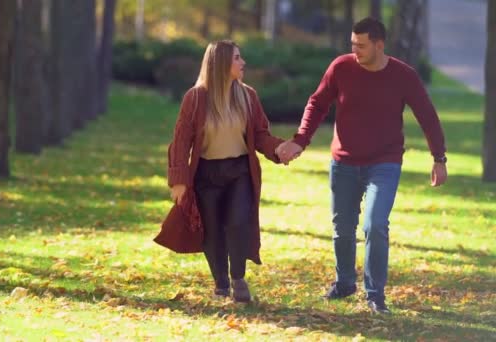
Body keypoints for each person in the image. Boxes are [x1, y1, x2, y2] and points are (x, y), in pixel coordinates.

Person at [276, 17, 448, 314]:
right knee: (342, 228)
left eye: (361, 45)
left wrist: (439, 158)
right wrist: (300, 140)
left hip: (384, 163)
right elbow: (317, 103)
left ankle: (375, 293)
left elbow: (427, 115)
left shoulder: (403, 75)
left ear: (379, 45)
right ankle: (345, 283)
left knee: (375, 225)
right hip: (343, 162)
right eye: (352, 44)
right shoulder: (341, 68)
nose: (355, 49)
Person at [166, 40, 286, 302]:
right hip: (206, 174)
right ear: (221, 63)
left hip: (239, 171)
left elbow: (260, 135)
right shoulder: (196, 98)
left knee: (238, 222)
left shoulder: (248, 96)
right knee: (211, 231)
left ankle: (238, 278)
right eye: (237, 58)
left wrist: (279, 149)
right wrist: (179, 180)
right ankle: (221, 284)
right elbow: (181, 140)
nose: (243, 63)